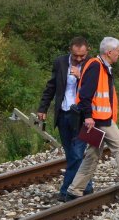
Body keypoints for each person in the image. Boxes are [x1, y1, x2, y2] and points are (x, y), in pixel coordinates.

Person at [65, 37, 119, 202]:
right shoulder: (96, 66)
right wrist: (89, 116)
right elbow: (84, 94)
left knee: (92, 155)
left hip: (99, 118)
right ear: (109, 52)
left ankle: (74, 190)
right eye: (118, 50)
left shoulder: (101, 66)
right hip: (98, 120)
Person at [37, 36, 94, 201]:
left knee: (77, 154)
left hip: (82, 116)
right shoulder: (60, 62)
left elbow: (94, 89)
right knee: (70, 154)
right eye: (76, 55)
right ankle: (87, 186)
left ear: (87, 51)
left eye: (82, 56)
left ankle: (66, 191)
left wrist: (80, 76)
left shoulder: (92, 65)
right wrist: (43, 108)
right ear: (71, 50)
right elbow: (51, 86)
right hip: (63, 114)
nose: (78, 59)